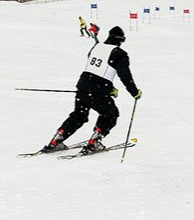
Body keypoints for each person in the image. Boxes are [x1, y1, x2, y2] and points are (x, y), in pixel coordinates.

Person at [41, 26, 142, 154]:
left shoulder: (96, 47)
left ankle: (57, 139)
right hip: (98, 89)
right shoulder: (120, 54)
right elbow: (125, 76)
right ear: (121, 40)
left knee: (79, 115)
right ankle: (94, 142)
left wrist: (109, 87)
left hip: (83, 85)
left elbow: (96, 68)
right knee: (111, 113)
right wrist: (134, 92)